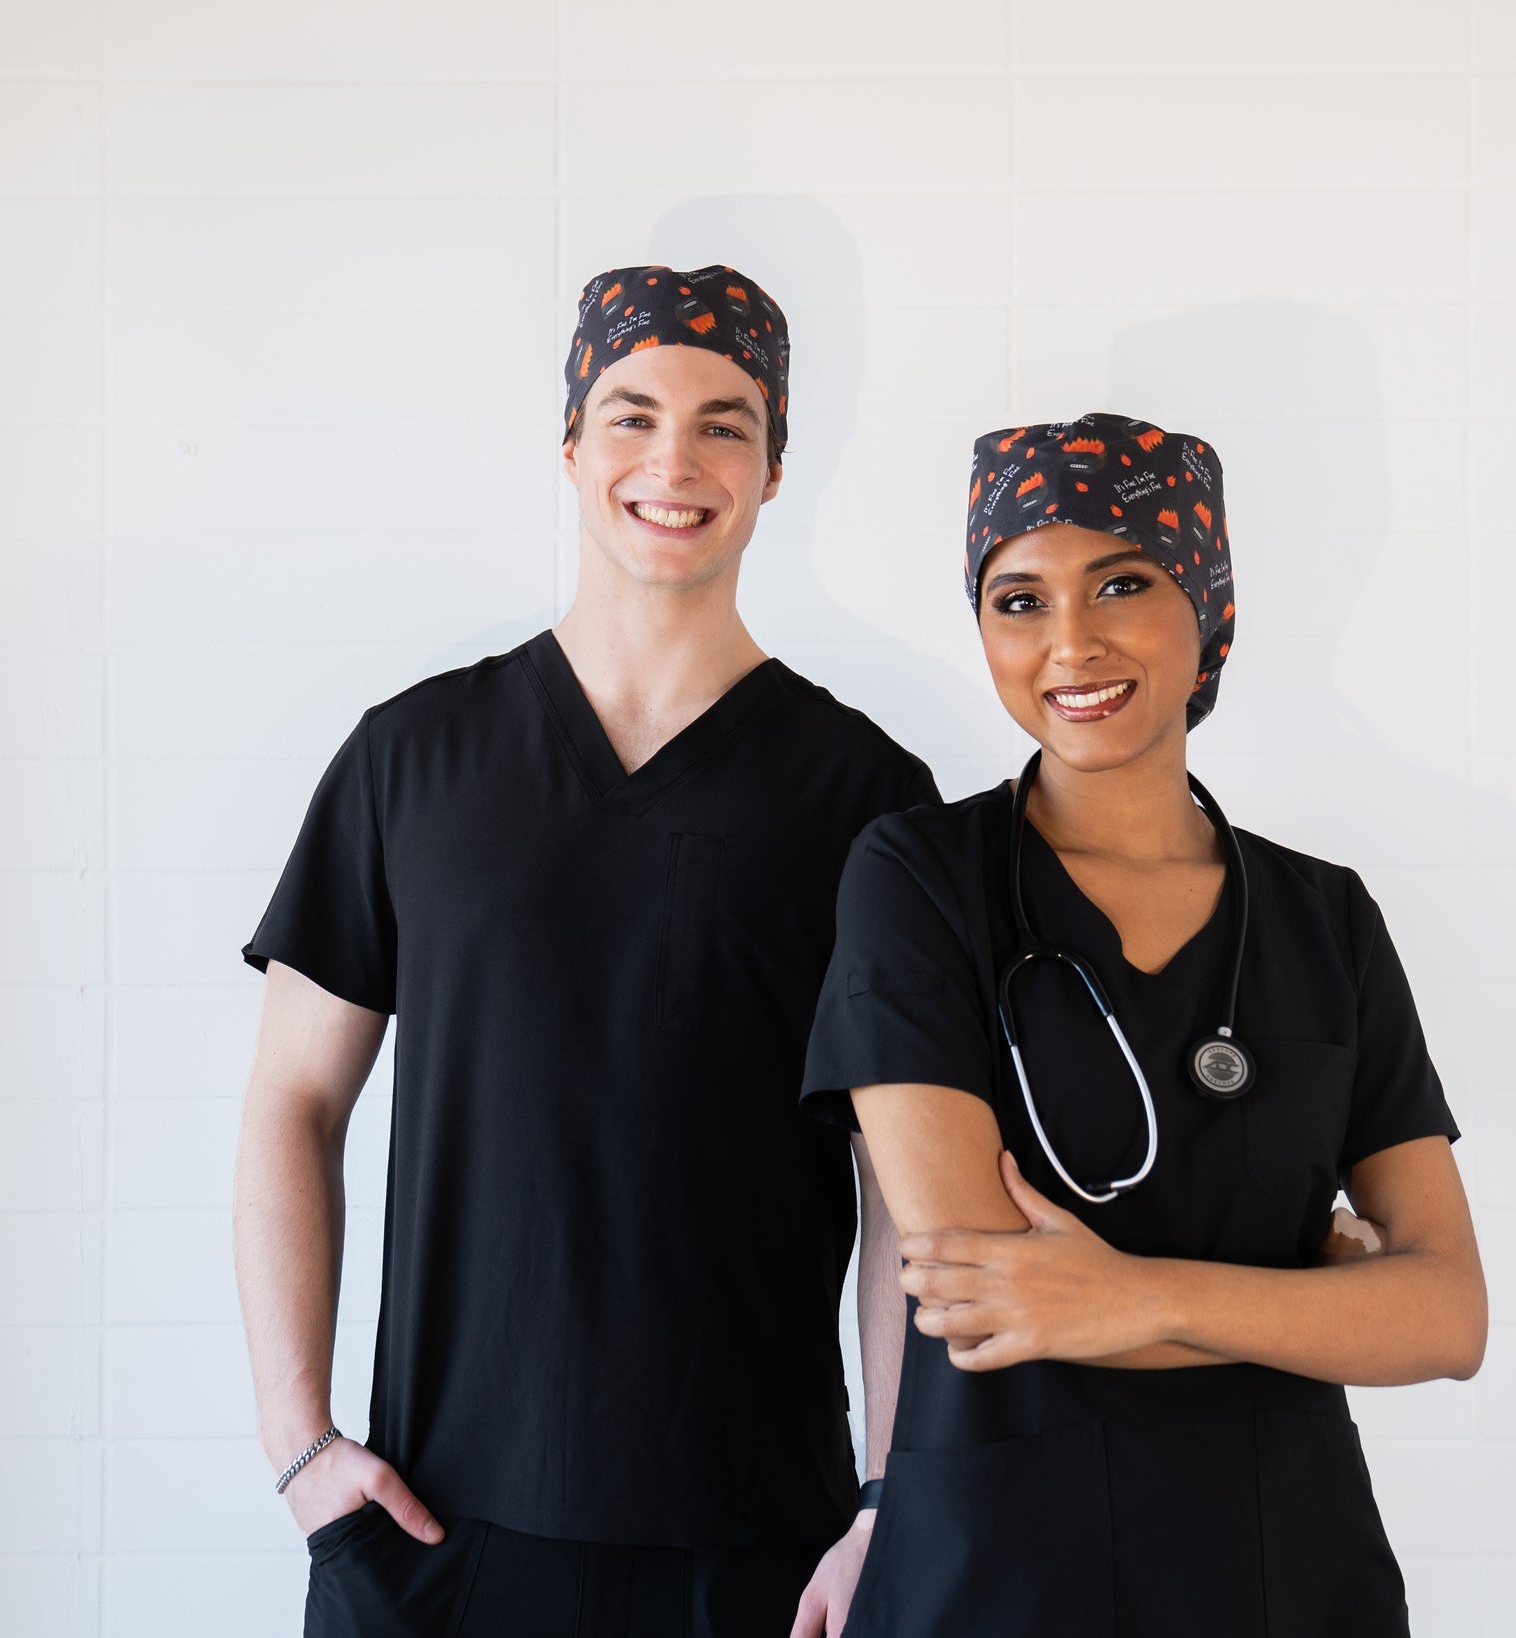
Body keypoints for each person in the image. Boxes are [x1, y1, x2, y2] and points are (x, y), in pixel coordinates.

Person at [233, 265, 935, 1638]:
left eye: (725, 423)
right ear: (571, 446)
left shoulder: (867, 800)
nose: (673, 459)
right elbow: (293, 1101)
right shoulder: (412, 759)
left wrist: (887, 1499)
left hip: (764, 1550)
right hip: (437, 1529)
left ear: (776, 468)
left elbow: (905, 1185)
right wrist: (302, 1445)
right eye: (632, 415)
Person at [800, 414, 1487, 1636]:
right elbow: (984, 1290)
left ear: (1208, 607)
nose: (1070, 641)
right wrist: (1307, 1310)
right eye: (1017, 600)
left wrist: (1128, 1295)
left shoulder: (1323, 919)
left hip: (1281, 1569)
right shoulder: (916, 879)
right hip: (992, 1572)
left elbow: (1446, 1318)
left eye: (1122, 581)